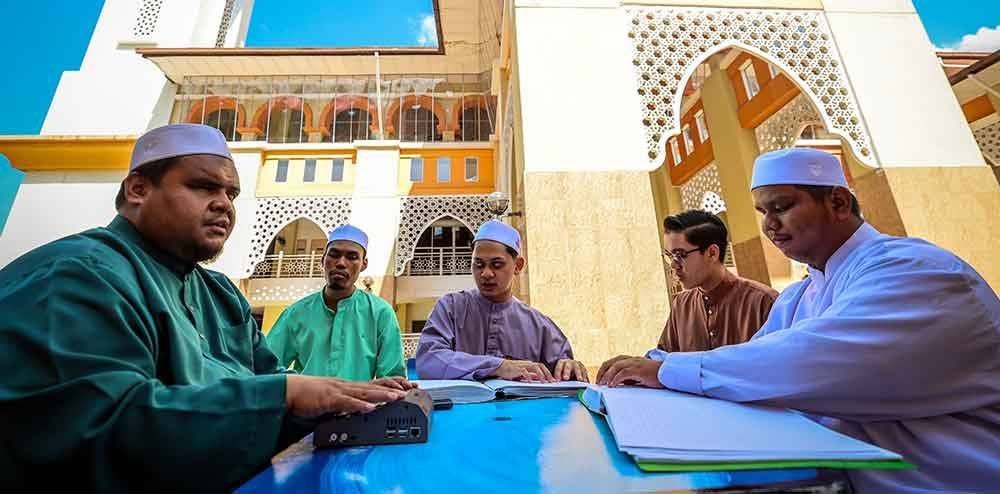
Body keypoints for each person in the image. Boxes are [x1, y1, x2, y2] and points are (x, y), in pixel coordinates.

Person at [0, 124, 411, 493]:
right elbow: (101, 431)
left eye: (231, 194)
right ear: (138, 189)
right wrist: (285, 396)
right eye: (203, 187)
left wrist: (345, 402)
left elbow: (271, 382)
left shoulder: (219, 295)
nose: (224, 205)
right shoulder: (77, 275)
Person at [597, 147, 1000, 493]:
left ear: (838, 203)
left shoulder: (915, 270)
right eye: (762, 211)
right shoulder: (799, 296)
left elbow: (804, 363)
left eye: (781, 207)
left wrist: (666, 370)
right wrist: (653, 368)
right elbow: (753, 358)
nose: (769, 224)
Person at [416, 219, 588, 382]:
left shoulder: (540, 326)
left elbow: (565, 373)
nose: (486, 273)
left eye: (497, 265)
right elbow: (429, 361)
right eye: (479, 264)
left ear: (518, 266)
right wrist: (499, 366)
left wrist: (571, 368)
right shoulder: (450, 308)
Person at [266, 224, 405, 380]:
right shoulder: (296, 314)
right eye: (334, 255)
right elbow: (266, 368)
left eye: (352, 257)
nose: (341, 263)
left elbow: (392, 379)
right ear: (323, 260)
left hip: (361, 397)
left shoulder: (380, 314)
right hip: (308, 397)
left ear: (364, 264)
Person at [655, 210, 776, 352]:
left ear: (712, 253)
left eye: (680, 255)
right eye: (669, 255)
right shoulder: (682, 305)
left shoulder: (764, 302)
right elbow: (663, 357)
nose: (673, 265)